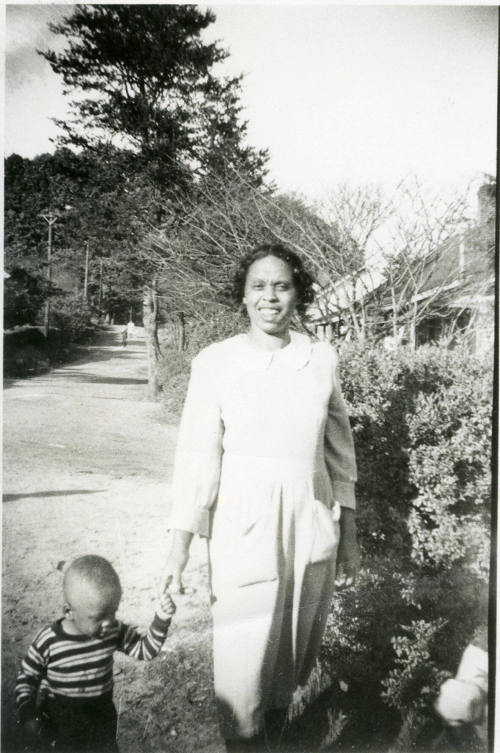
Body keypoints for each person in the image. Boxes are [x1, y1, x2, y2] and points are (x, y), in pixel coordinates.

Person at [160, 243, 359, 753]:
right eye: (258, 286)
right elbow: (197, 458)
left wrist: (350, 533)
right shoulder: (216, 362)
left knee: (293, 648)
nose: (270, 296)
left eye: (282, 285)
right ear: (243, 296)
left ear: (298, 294)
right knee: (244, 652)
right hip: (243, 525)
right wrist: (179, 548)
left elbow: (339, 451)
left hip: (310, 521)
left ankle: (274, 735)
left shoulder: (320, 359)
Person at [16, 555, 176, 752]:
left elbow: (145, 650)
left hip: (101, 722)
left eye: (114, 612)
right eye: (99, 617)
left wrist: (162, 618)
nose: (109, 622)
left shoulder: (112, 631)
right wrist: (27, 713)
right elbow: (27, 678)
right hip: (61, 726)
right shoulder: (49, 640)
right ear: (69, 612)